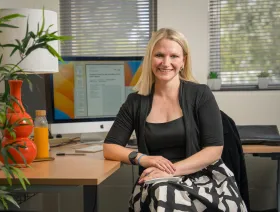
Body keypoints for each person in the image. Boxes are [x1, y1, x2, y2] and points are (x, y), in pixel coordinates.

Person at [103, 28, 247, 211]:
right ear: (150, 59)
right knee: (162, 192)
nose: (166, 62)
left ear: (183, 61)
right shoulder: (136, 102)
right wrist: (143, 159)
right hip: (156, 181)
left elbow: (214, 150)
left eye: (174, 56)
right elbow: (109, 148)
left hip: (203, 178)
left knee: (165, 193)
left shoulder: (200, 94)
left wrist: (169, 171)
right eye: (159, 55)